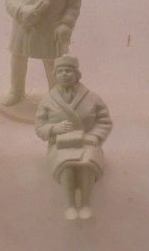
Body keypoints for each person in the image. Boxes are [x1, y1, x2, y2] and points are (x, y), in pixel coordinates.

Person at [34, 56, 112, 220]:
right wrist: (54, 128)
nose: (64, 74)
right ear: (55, 75)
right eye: (60, 71)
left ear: (77, 74)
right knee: (67, 166)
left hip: (87, 142)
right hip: (60, 144)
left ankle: (85, 203)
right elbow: (39, 127)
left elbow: (104, 121)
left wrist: (95, 136)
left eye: (68, 71)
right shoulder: (47, 100)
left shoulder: (92, 98)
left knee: (87, 165)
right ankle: (69, 204)